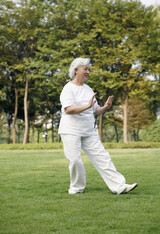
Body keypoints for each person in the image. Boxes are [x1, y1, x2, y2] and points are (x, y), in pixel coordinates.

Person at [58, 57, 138, 194]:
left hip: (88, 131)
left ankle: (120, 186)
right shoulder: (68, 88)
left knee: (103, 157)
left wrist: (105, 107)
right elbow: (68, 109)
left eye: (89, 69)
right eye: (85, 69)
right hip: (71, 131)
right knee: (75, 160)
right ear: (76, 70)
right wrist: (87, 106)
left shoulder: (88, 89)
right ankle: (76, 188)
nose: (88, 72)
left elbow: (96, 110)